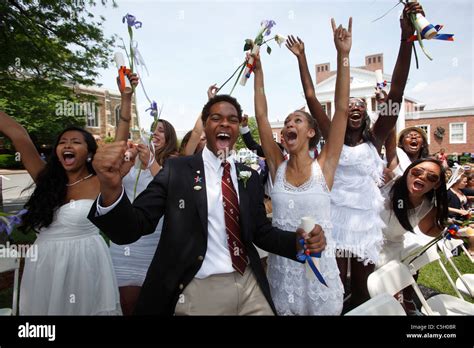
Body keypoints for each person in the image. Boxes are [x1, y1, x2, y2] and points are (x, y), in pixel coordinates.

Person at [87, 94, 327, 315]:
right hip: (199, 287)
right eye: (216, 118)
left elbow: (260, 232)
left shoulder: (249, 176)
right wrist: (110, 188)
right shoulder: (177, 171)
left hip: (250, 284)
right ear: (205, 124)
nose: (225, 123)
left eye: (232, 119)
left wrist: (296, 241)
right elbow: (134, 225)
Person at [290, 2, 422, 307]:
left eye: (360, 105)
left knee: (363, 291)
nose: (354, 107)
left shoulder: (375, 138)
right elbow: (311, 97)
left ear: (366, 116)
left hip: (363, 223)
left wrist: (406, 39)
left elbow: (397, 94)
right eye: (349, 104)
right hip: (332, 220)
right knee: (333, 288)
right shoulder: (330, 136)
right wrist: (303, 57)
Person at [253, 17, 351, 315]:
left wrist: (343, 56)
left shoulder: (325, 166)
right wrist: (259, 71)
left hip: (320, 275)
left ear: (310, 132)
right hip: (284, 274)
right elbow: (260, 116)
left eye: (297, 119)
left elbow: (343, 110)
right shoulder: (276, 167)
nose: (288, 124)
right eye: (286, 123)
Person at [0, 109, 125, 315]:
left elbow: (118, 148)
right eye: (62, 142)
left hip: (85, 261)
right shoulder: (45, 179)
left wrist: (126, 102)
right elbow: (17, 134)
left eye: (76, 142)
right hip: (44, 261)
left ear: (90, 153)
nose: (67, 145)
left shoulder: (99, 181)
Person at [108, 74, 179, 315]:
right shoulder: (133, 158)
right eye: (153, 129)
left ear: (169, 138)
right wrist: (129, 162)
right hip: (125, 242)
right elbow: (112, 183)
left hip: (154, 241)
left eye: (161, 130)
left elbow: (173, 194)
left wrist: (151, 163)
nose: (155, 133)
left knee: (150, 304)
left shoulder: (173, 163)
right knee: (125, 303)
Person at [377, 159, 448, 314]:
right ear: (408, 171)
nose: (423, 177)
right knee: (366, 294)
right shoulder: (389, 181)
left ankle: (405, 303)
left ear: (436, 185)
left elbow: (429, 231)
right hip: (364, 243)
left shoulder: (428, 207)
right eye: (417, 171)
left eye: (432, 177)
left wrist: (444, 221)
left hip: (392, 250)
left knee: (393, 295)